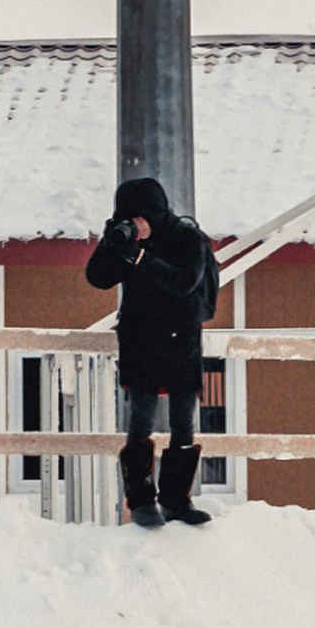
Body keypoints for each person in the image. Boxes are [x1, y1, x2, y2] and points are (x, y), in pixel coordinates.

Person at [85, 175, 222, 528]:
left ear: (155, 213)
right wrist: (110, 243)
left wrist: (143, 259)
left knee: (182, 420)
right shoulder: (126, 241)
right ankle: (141, 502)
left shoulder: (186, 238)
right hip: (141, 338)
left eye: (139, 217)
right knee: (141, 418)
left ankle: (177, 500)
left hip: (180, 339)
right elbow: (97, 278)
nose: (135, 225)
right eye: (127, 218)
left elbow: (184, 281)